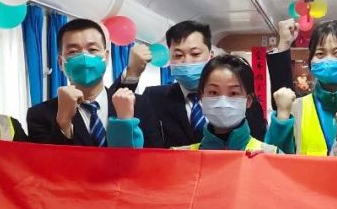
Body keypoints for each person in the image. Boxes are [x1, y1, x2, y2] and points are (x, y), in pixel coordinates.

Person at [112, 20, 266, 146]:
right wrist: (132, 73)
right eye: (178, 55)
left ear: (211, 55)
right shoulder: (154, 97)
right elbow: (116, 110)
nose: (187, 61)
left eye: (195, 54)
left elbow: (257, 147)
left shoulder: (240, 100)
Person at [108, 54, 278, 153]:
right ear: (201, 97)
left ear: (248, 100)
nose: (222, 101)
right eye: (213, 92)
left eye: (233, 93)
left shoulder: (270, 154)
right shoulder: (180, 156)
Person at [266, 20, 337, 156]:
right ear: (310, 57)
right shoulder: (296, 108)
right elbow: (273, 158)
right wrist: (281, 120)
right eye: (320, 54)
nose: (328, 60)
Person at [27, 18, 122, 147]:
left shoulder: (138, 106)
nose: (84, 57)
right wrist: (63, 122)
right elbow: (46, 159)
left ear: (107, 57)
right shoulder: (39, 115)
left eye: (92, 49)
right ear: (61, 63)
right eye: (73, 52)